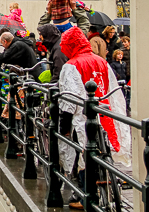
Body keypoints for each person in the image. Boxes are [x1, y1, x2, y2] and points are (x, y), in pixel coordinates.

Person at [57, 26, 131, 209]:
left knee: (84, 152)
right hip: (105, 114)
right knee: (103, 149)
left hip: (84, 118)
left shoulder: (71, 65)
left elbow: (69, 99)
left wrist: (64, 129)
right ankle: (109, 182)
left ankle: (86, 196)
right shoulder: (101, 62)